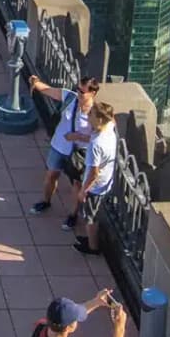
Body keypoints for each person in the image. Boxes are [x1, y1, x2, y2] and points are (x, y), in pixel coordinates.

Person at [26, 74, 100, 224]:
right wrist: (35, 82)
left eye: (82, 91)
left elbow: (99, 137)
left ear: (92, 93)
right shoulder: (70, 97)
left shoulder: (96, 113)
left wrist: (77, 136)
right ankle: (45, 201)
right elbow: (48, 90)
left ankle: (72, 215)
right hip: (59, 146)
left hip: (78, 153)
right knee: (51, 175)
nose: (78, 93)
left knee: (77, 185)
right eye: (78, 89)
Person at [73, 102, 118, 256]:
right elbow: (113, 119)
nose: (88, 117)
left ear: (99, 120)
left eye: (91, 114)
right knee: (93, 213)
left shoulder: (96, 144)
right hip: (107, 181)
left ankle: (93, 247)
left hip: (96, 187)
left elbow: (93, 172)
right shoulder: (110, 129)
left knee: (90, 217)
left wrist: (84, 191)